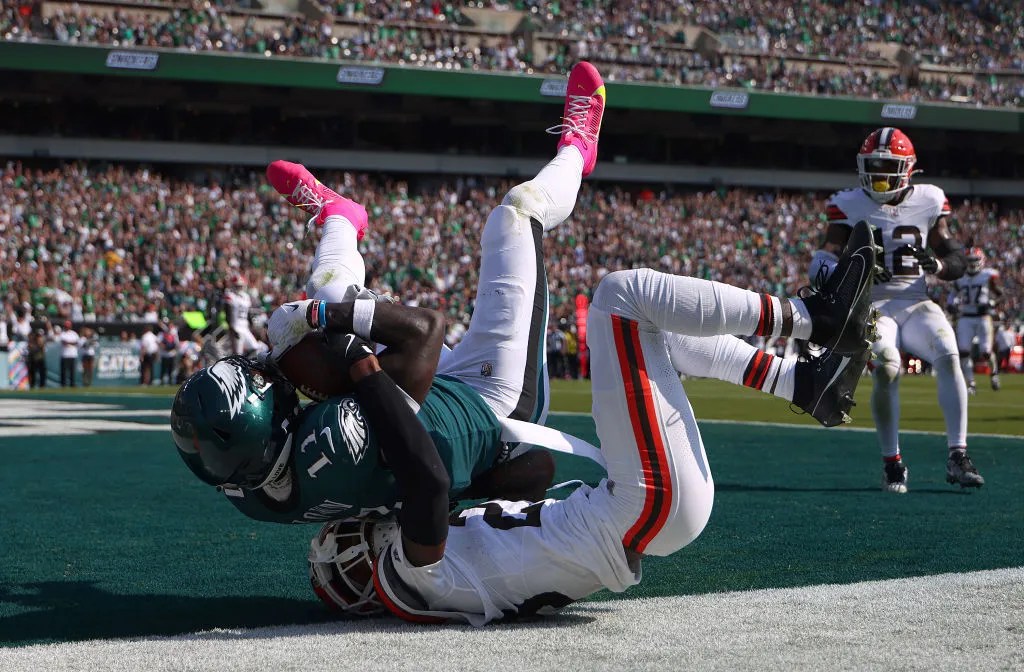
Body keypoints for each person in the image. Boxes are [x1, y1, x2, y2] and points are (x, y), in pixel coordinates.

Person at [306, 222, 877, 624]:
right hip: (638, 509)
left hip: (646, 516)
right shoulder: (412, 581)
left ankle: (800, 383)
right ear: (361, 593)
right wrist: (366, 371)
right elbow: (426, 481)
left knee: (649, 329)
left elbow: (537, 468)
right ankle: (809, 318)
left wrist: (475, 481)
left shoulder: (449, 565)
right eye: (345, 560)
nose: (355, 538)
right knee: (619, 297)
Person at [171, 61, 612, 523]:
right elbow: (423, 332)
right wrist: (319, 318)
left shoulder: (250, 491)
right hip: (488, 403)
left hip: (426, 397)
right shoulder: (341, 437)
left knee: (329, 285)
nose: (267, 370)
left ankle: (339, 216)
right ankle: (577, 149)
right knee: (518, 214)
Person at [811, 127, 981, 493]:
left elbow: (954, 258)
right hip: (874, 305)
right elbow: (823, 261)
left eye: (887, 166)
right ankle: (892, 463)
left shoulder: (930, 200)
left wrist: (936, 266)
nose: (878, 174)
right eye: (873, 165)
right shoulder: (848, 203)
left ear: (907, 169)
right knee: (888, 366)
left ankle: (958, 454)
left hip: (916, 301)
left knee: (949, 355)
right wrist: (854, 270)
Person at [948, 247, 1003, 393]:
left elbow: (1000, 294)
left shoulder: (988, 275)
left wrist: (991, 303)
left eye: (975, 260)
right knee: (964, 351)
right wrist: (951, 305)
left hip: (983, 316)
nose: (972, 263)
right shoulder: (960, 278)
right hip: (965, 317)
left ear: (982, 260)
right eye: (970, 260)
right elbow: (952, 296)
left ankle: (994, 374)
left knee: (985, 351)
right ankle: (971, 383)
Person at [224, 275, 260, 356]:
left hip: (245, 327)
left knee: (255, 348)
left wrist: (251, 324)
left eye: (240, 285)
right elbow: (228, 313)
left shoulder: (246, 296)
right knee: (238, 353)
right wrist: (232, 328)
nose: (239, 287)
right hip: (236, 327)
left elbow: (248, 313)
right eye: (237, 285)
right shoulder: (230, 295)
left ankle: (246, 365)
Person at [58, 320, 80, 387]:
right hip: (65, 355)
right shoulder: (62, 333)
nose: (67, 327)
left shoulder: (74, 333)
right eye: (66, 326)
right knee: (64, 372)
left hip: (72, 355)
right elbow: (63, 342)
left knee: (72, 372)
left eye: (68, 326)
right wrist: (71, 343)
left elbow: (76, 342)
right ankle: (63, 385)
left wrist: (69, 343)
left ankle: (72, 384)